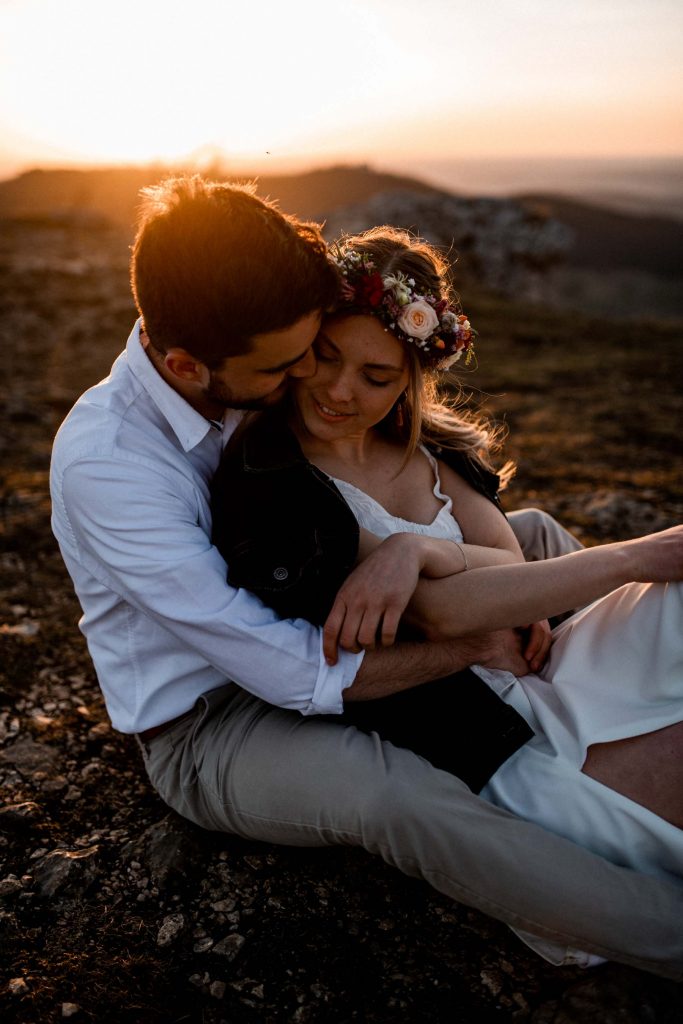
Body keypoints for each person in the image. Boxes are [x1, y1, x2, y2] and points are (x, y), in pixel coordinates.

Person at [49, 176, 683, 980]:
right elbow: (280, 670)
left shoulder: (238, 346)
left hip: (311, 597)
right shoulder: (112, 465)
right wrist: (468, 641)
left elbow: (401, 487)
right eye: (290, 367)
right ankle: (656, 929)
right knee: (392, 800)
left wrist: (423, 551)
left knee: (538, 541)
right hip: (217, 713)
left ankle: (595, 708)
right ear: (185, 365)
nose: (311, 386)